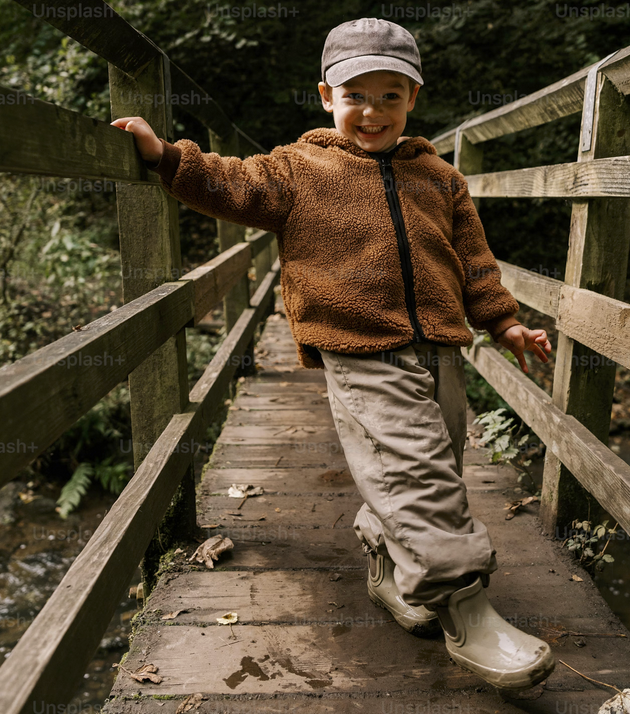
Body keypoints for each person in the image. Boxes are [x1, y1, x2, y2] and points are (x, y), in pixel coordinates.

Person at [111, 17, 555, 693]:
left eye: (389, 97)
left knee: (436, 456)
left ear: (412, 97)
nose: (371, 112)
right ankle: (465, 609)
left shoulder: (440, 178)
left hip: (437, 348)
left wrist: (505, 324)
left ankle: (388, 569)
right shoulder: (299, 169)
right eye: (356, 96)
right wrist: (167, 156)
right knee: (415, 473)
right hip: (359, 350)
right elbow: (229, 182)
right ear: (326, 96)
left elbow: (474, 264)